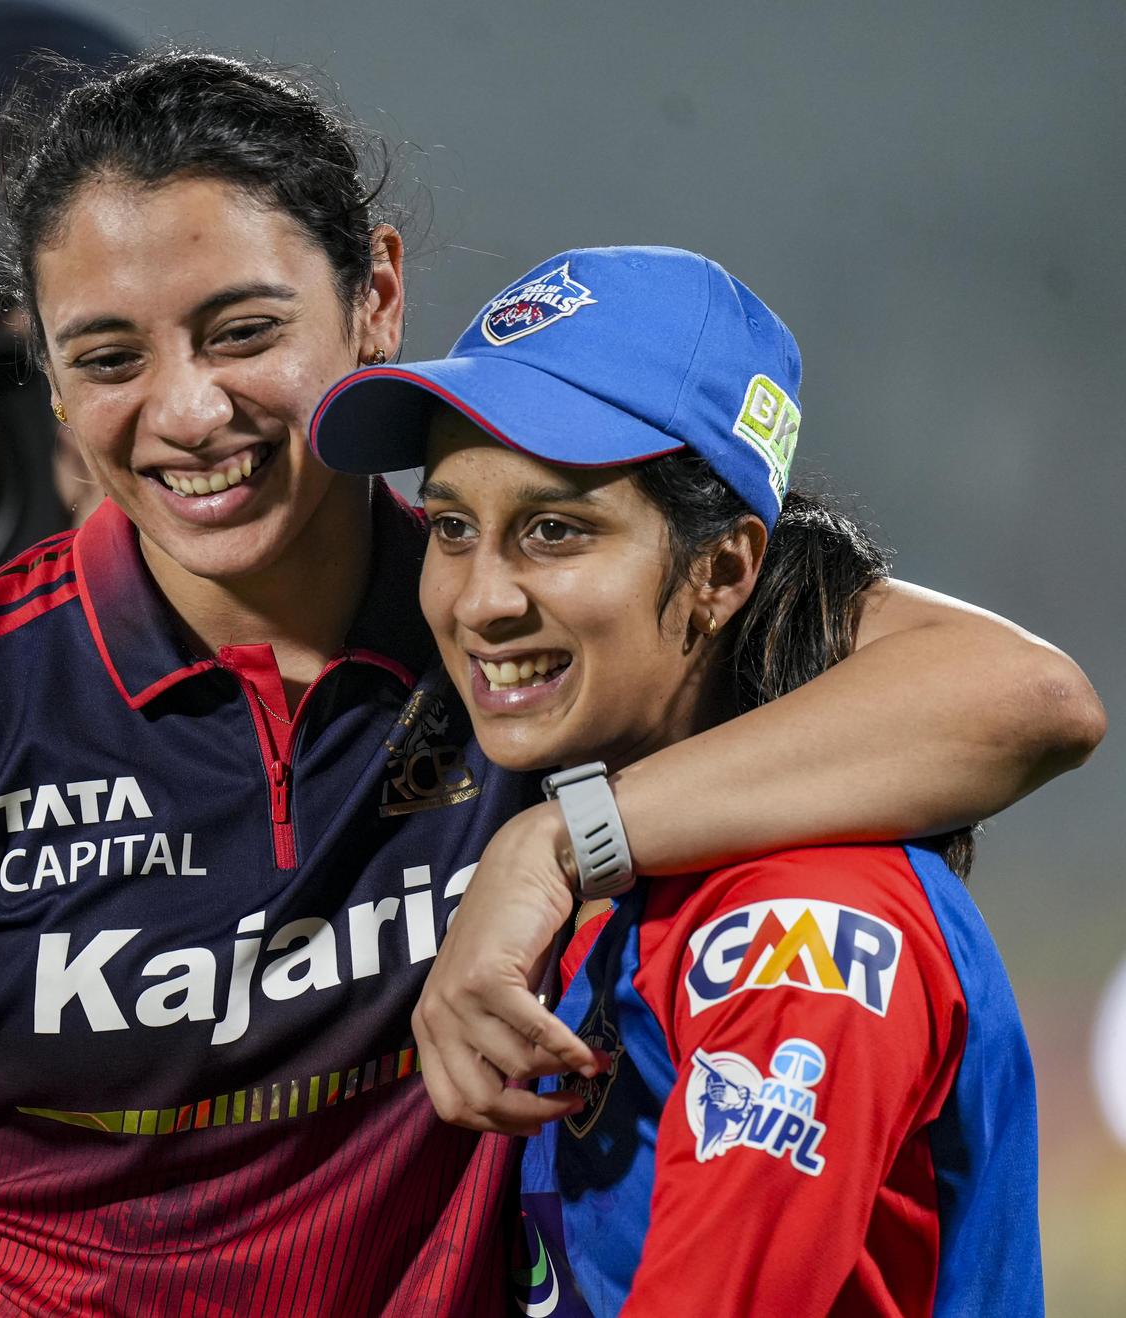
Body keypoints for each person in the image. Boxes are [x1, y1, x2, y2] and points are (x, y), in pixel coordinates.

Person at [0, 52, 1102, 1318]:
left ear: (376, 296)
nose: (190, 409)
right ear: (45, 376)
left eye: (246, 331)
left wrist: (549, 844)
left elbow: (1024, 696)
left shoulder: (530, 644)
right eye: (107, 356)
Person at [309, 245, 1052, 1314]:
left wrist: (558, 838)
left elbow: (1039, 694)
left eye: (555, 530)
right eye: (455, 526)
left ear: (721, 571)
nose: (480, 601)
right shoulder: (637, 866)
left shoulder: (796, 923)